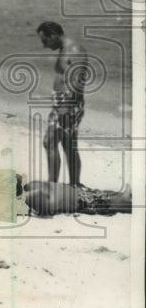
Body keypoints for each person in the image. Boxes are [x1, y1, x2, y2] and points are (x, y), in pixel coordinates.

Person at [37, 21, 89, 185]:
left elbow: (78, 81)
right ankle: (75, 185)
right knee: (68, 145)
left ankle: (52, 186)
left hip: (68, 105)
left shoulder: (74, 50)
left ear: (54, 35)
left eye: (45, 40)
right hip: (65, 104)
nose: (44, 45)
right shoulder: (65, 49)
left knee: (49, 142)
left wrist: (65, 107)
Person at [22, 179, 131, 217]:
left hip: (78, 193)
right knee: (105, 202)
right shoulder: (33, 199)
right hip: (80, 201)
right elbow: (50, 207)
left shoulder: (30, 188)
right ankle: (124, 202)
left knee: (103, 194)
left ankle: (123, 199)